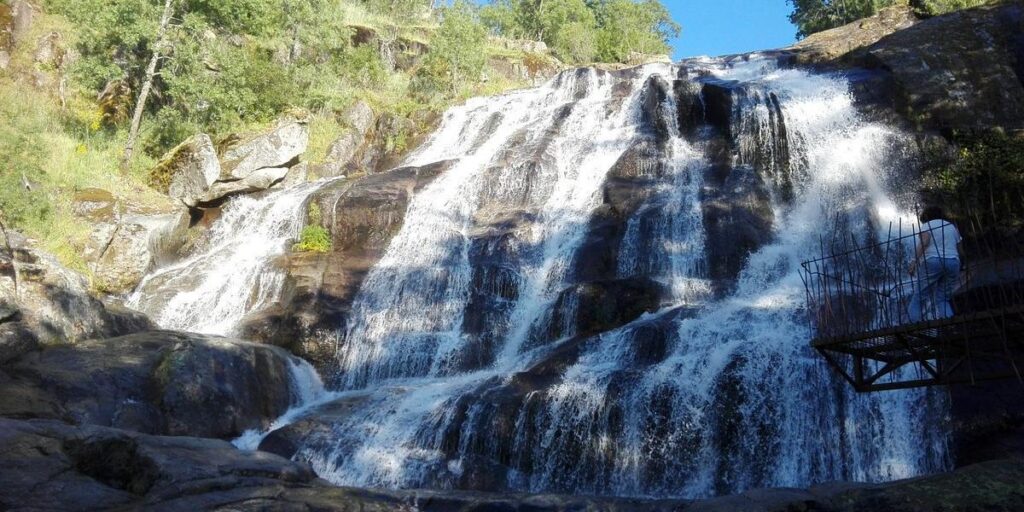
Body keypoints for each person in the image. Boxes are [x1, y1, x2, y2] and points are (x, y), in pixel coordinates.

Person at [908, 206, 962, 322]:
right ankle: (950, 326)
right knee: (942, 299)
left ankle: (914, 328)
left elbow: (924, 242)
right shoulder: (952, 226)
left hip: (933, 261)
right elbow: (960, 248)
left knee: (918, 298)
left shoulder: (927, 225)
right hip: (953, 262)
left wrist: (913, 261)